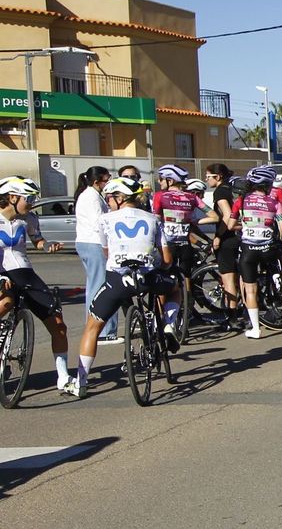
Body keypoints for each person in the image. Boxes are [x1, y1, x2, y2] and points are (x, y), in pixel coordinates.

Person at [73, 177, 181, 394]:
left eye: (110, 198)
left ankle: (81, 382)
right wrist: (155, 262)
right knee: (176, 288)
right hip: (148, 278)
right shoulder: (154, 218)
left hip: (118, 280)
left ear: (120, 198)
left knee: (92, 328)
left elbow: (106, 252)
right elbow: (167, 259)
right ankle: (169, 325)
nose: (108, 202)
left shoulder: (105, 220)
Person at [0, 177, 74, 394]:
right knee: (5, 303)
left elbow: (38, 240)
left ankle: (63, 377)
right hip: (2, 273)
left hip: (25, 273)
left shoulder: (29, 218)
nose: (32, 202)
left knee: (58, 324)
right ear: (12, 197)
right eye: (29, 198)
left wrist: (47, 246)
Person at [233, 165, 282, 340]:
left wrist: (247, 226)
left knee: (250, 289)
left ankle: (256, 328)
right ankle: (279, 284)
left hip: (248, 250)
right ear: (266, 185)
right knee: (275, 266)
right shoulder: (275, 203)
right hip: (268, 248)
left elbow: (230, 225)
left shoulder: (241, 201)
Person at [150, 164, 205, 316]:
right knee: (185, 276)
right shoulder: (192, 197)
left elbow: (155, 219)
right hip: (185, 244)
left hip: (167, 244)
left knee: (162, 278)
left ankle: (161, 318)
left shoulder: (160, 196)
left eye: (161, 179)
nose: (159, 182)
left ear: (170, 181)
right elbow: (214, 216)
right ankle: (187, 310)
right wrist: (190, 222)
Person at [73, 167, 118, 342]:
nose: (108, 183)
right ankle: (103, 331)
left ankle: (99, 329)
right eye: (106, 180)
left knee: (95, 285)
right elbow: (98, 223)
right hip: (94, 242)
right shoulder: (91, 197)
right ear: (96, 181)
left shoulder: (92, 195)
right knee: (101, 287)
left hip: (89, 242)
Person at [201, 164, 242, 328]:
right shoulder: (231, 188)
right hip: (238, 237)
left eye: (208, 176)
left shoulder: (220, 192)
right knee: (236, 278)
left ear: (218, 177)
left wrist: (218, 236)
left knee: (228, 278)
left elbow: (226, 215)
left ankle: (231, 317)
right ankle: (235, 312)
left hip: (227, 239)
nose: (206, 179)